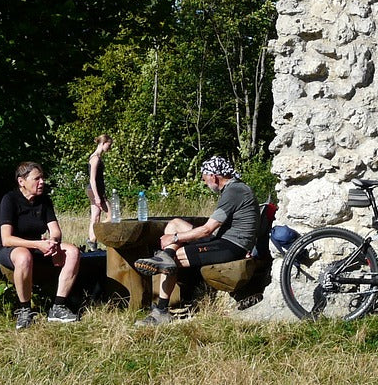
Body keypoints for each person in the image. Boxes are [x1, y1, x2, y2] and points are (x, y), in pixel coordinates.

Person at [133, 155, 260, 325]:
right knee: (175, 223)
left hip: (232, 246)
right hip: (222, 239)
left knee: (175, 257)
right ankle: (166, 256)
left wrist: (175, 238)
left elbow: (207, 229)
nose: (205, 183)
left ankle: (161, 310)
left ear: (214, 176)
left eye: (205, 178)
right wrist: (176, 234)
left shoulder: (234, 191)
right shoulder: (234, 189)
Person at [0, 161, 82, 328]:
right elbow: (7, 238)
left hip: (38, 247)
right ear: (21, 181)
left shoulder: (44, 201)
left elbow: (55, 231)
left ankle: (58, 306)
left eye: (42, 178)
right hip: (11, 250)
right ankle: (25, 311)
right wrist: (38, 245)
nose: (42, 182)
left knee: (72, 251)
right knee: (23, 256)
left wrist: (54, 244)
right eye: (37, 178)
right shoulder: (10, 200)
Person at [85, 133, 113, 246]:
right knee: (111, 216)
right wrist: (97, 197)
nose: (109, 148)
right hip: (95, 191)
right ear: (103, 143)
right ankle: (95, 236)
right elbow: (92, 179)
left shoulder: (96, 157)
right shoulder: (95, 158)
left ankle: (92, 241)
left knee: (95, 217)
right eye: (109, 145)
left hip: (96, 191)